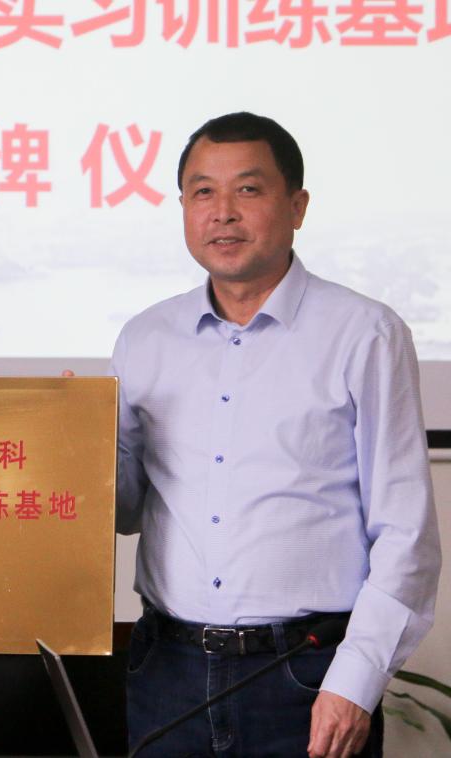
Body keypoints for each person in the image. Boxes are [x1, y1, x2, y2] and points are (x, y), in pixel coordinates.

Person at [113, 112, 440, 757]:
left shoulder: (364, 333)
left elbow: (405, 532)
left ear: (297, 206)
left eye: (248, 189)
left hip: (306, 674)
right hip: (167, 672)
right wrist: (73, 446)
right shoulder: (144, 338)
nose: (223, 212)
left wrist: (354, 684)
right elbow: (124, 509)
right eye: (202, 192)